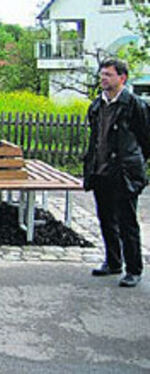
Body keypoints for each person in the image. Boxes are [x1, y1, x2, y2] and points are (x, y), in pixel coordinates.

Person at [84, 58, 150, 288]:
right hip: (101, 171)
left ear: (122, 78)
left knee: (127, 222)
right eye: (102, 74)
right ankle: (113, 261)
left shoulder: (135, 105)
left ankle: (134, 269)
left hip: (124, 172)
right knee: (106, 219)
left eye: (108, 75)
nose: (103, 78)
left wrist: (135, 164)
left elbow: (145, 139)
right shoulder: (97, 105)